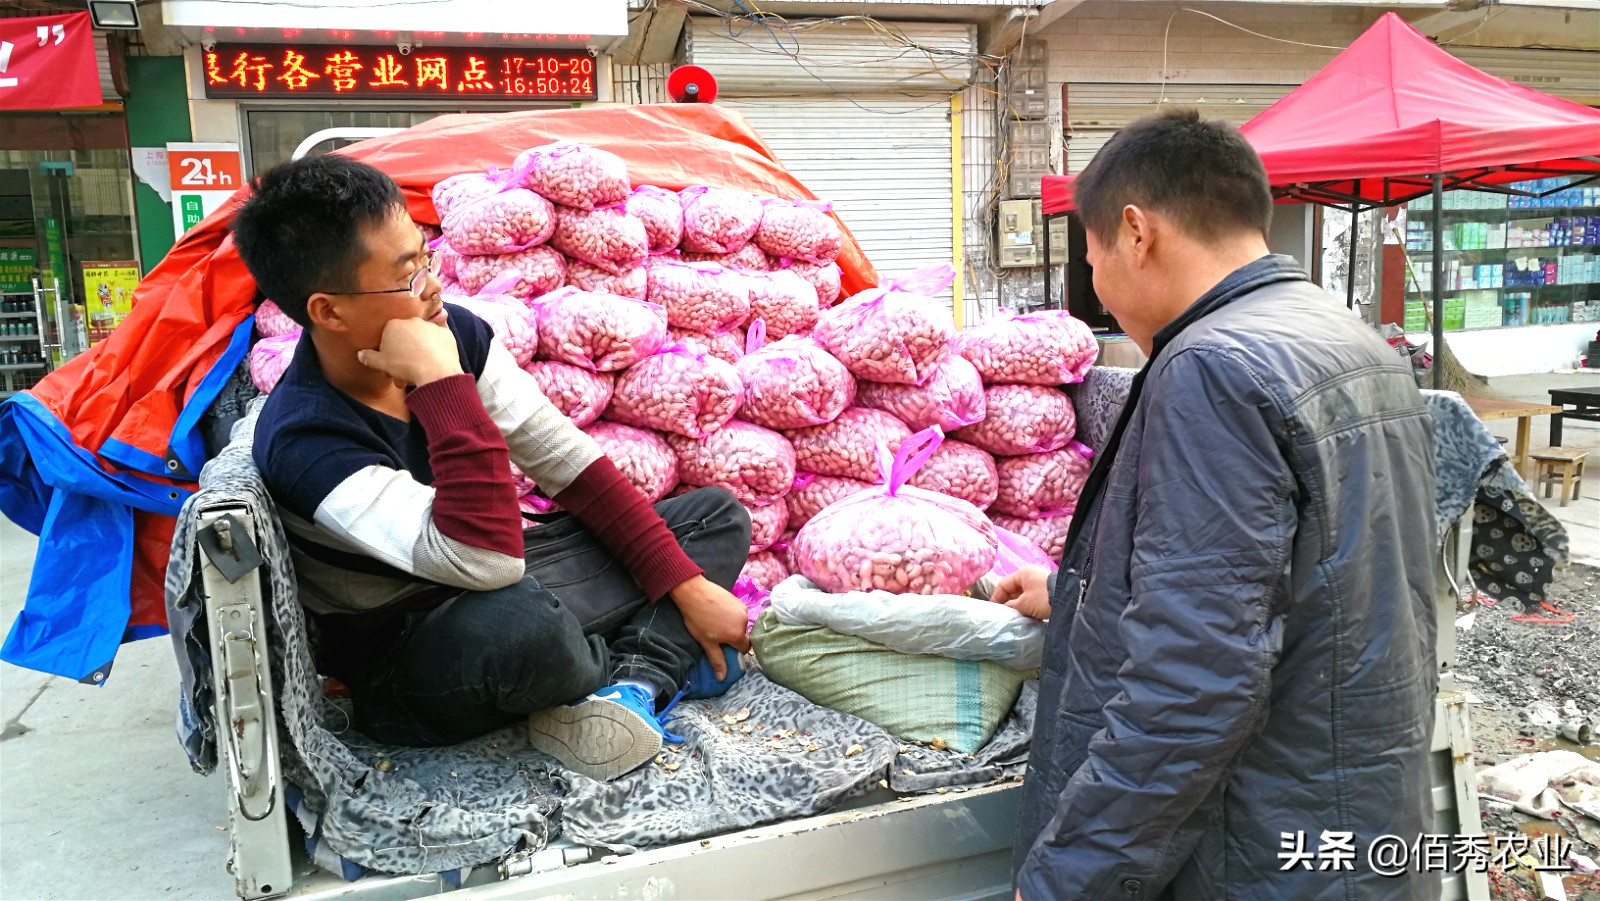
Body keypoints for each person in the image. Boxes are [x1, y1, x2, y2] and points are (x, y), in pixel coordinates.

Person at [993, 109, 1439, 900]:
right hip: (1346, 820)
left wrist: (1070, 874)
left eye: (1091, 257)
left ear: (1137, 232)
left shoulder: (1212, 367)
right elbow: (1308, 585)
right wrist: (1075, 598)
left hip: (1248, 847)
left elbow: (1196, 676)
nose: (1097, 284)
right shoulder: (1348, 337)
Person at [232, 155, 753, 781]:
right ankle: (647, 660)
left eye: (425, 258)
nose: (432, 287)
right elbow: (486, 562)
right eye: (405, 276)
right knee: (523, 627)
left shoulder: (457, 333)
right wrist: (439, 382)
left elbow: (567, 463)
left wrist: (686, 587)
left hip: (505, 580)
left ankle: (626, 687)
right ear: (329, 311)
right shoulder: (308, 439)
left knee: (712, 517)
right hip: (415, 654)